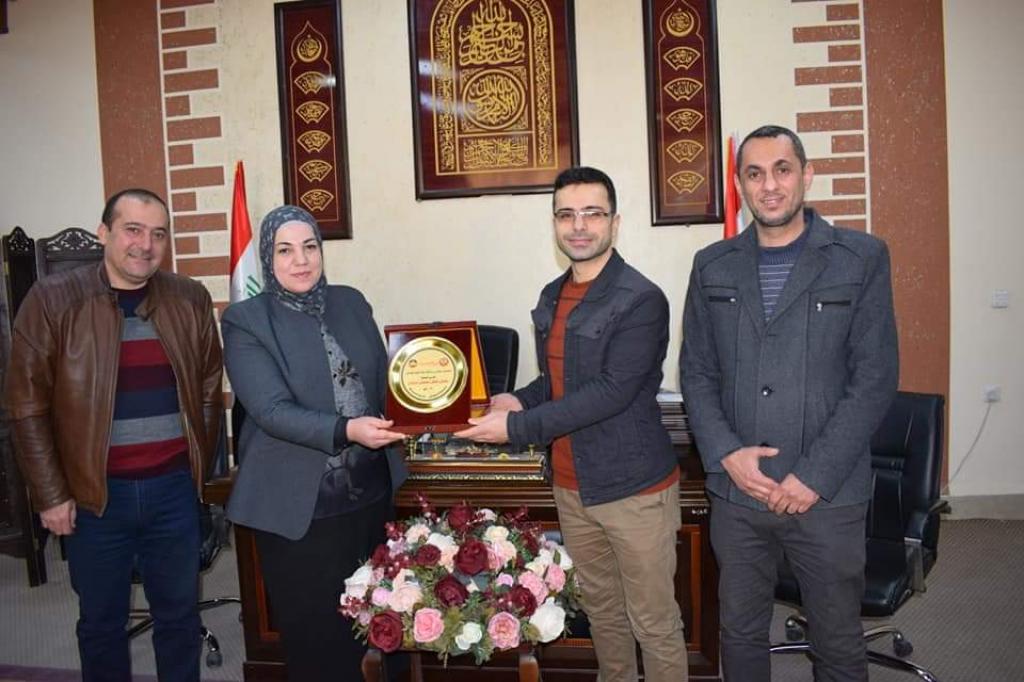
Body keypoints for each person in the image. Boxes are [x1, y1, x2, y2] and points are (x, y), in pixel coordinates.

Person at [680, 125, 898, 681]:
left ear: (807, 175)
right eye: (754, 174)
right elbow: (697, 372)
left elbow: (875, 379)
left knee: (838, 645)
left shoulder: (860, 257)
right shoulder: (712, 264)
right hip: (739, 494)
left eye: (782, 169)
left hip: (826, 497)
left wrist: (813, 476)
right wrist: (726, 454)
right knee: (740, 636)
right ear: (740, 185)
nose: (769, 185)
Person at [456, 167, 688, 682]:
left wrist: (517, 428)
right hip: (570, 486)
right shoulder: (552, 294)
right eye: (566, 215)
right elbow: (558, 382)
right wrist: (515, 398)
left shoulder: (641, 298)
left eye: (592, 214)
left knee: (653, 622)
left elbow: (611, 391)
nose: (578, 226)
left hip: (633, 489)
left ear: (615, 223)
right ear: (555, 224)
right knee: (602, 614)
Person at [5, 189, 223, 681]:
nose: (145, 244)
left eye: (158, 234)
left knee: (179, 618)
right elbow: (25, 405)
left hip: (173, 491)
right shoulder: (53, 299)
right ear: (103, 233)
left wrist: (194, 470)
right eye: (133, 230)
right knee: (101, 624)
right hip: (94, 498)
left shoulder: (189, 298)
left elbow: (209, 389)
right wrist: (50, 493)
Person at [221, 205, 408, 682]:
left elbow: (382, 385)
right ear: (268, 258)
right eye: (285, 250)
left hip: (371, 496)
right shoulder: (246, 320)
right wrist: (348, 430)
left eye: (309, 247)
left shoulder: (350, 302)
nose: (301, 260)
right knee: (322, 644)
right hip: (301, 509)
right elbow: (271, 411)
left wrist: (429, 403)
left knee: (386, 629)